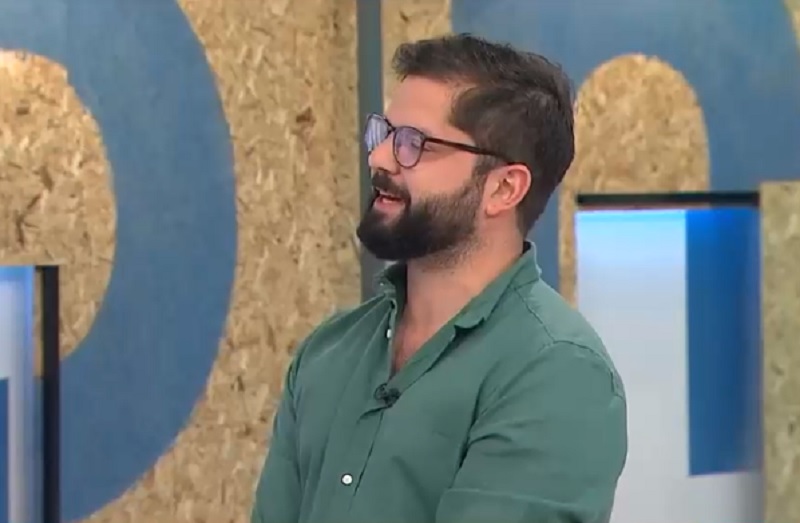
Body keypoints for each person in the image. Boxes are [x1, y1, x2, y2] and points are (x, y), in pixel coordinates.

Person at [251, 33, 627, 523]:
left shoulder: (557, 371)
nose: (379, 158)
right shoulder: (329, 351)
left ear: (504, 188)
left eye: (414, 143)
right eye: (385, 133)